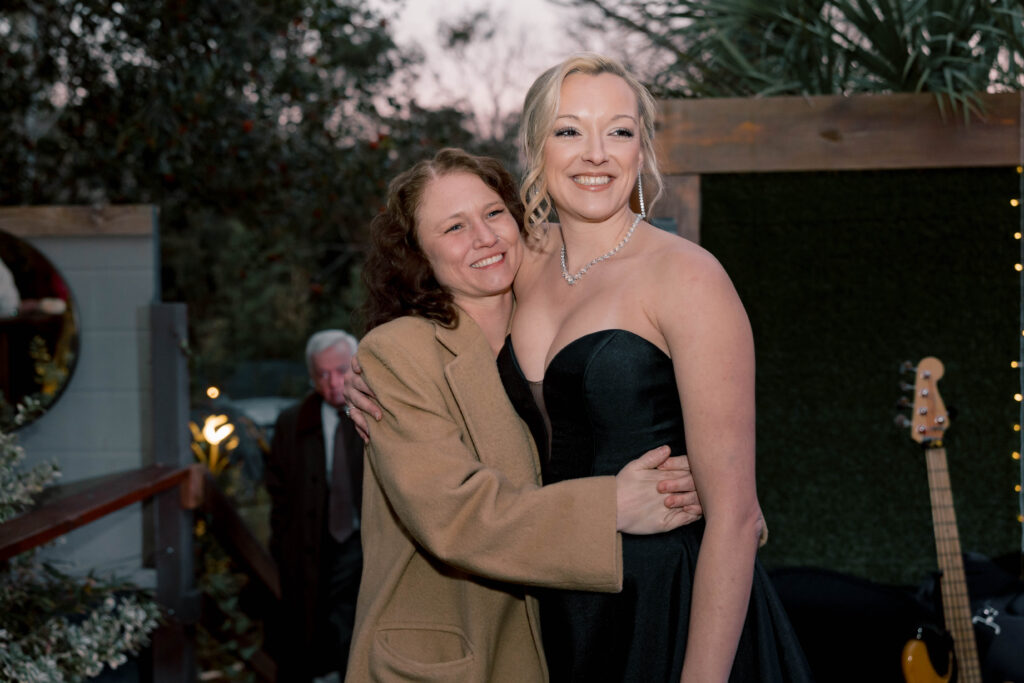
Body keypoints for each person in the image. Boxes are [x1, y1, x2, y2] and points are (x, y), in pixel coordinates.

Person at [348, 54, 813, 682]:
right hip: (548, 613)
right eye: (569, 131)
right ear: (536, 148)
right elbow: (435, 322)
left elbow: (735, 517)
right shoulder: (520, 261)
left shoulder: (689, 277)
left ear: (642, 149)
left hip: (667, 605)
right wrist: (365, 375)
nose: (596, 154)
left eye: (618, 131)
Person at [346, 148, 704, 683]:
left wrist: (701, 492)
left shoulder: (556, 329)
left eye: (493, 213)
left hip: (578, 635)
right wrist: (611, 507)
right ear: (417, 253)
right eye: (453, 227)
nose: (485, 237)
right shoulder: (397, 353)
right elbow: (454, 518)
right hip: (453, 657)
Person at [265, 329, 364, 682]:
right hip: (311, 545)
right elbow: (277, 490)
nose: (332, 382)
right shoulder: (293, 422)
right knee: (311, 630)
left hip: (363, 540)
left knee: (354, 624)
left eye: (340, 371)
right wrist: (282, 543)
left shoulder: (378, 412)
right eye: (322, 374)